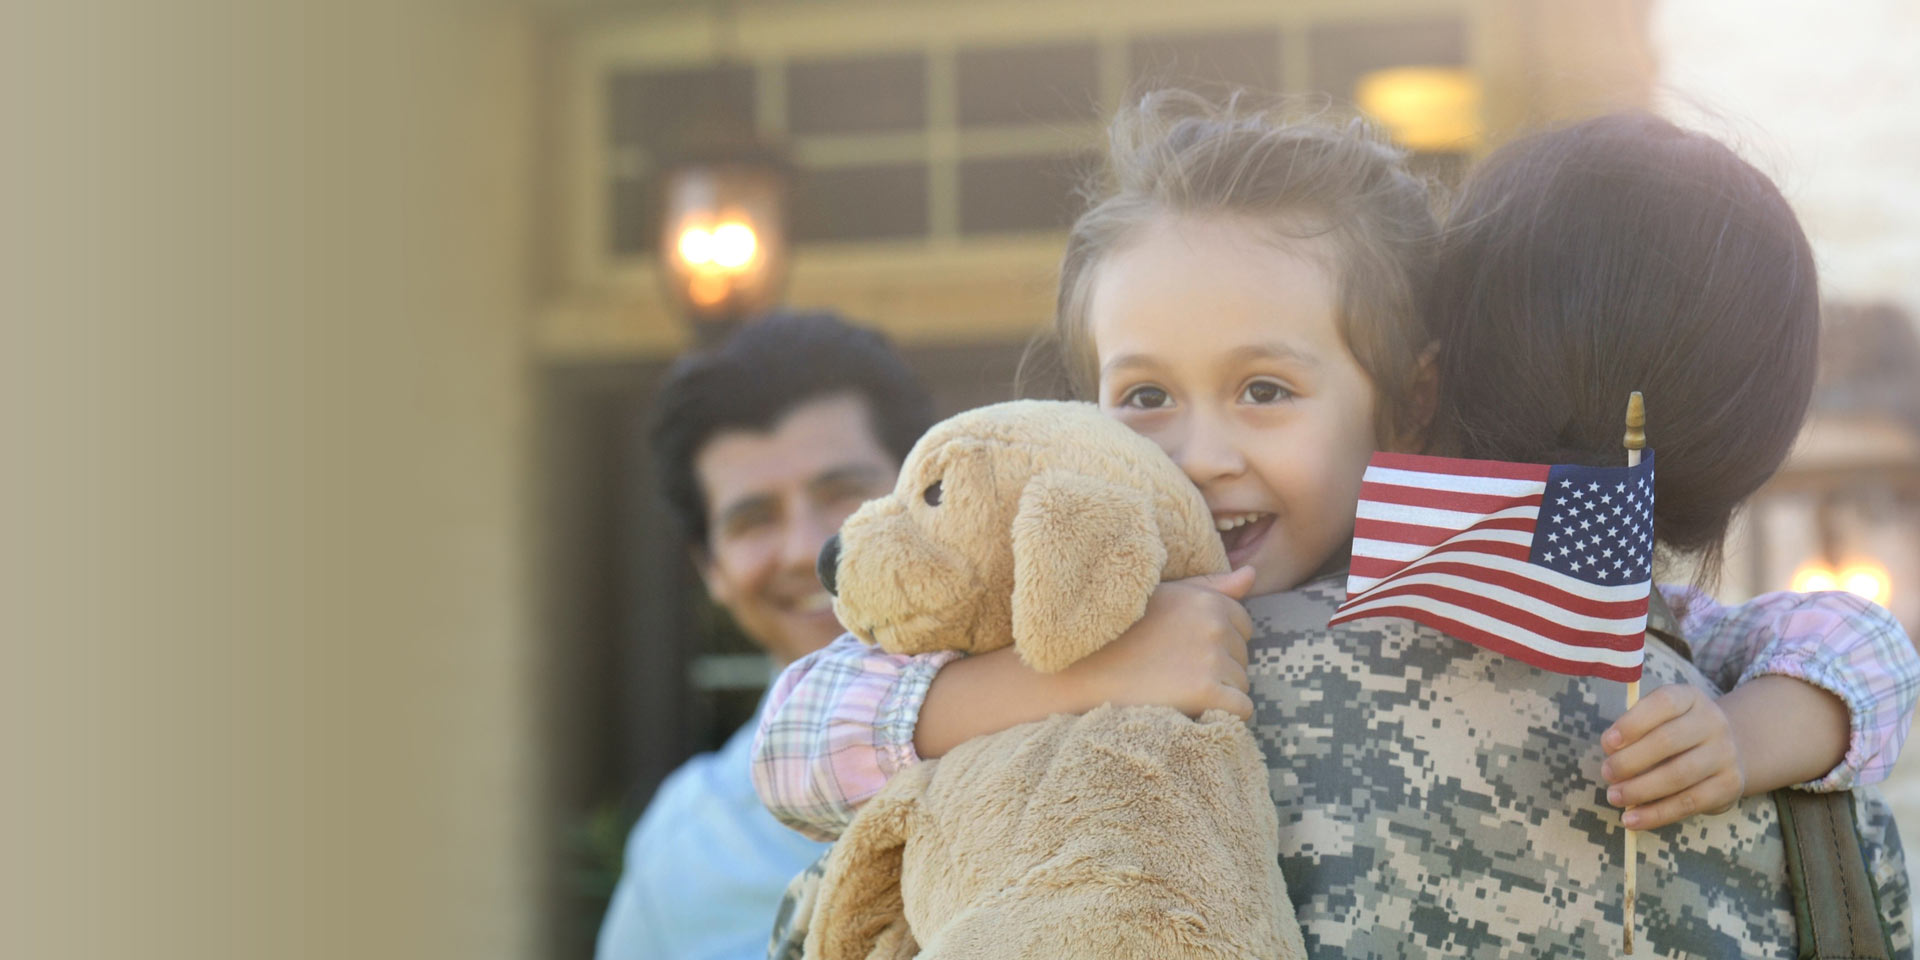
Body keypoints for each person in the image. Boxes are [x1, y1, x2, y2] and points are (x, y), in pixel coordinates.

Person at [754, 94, 1919, 957]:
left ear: (1408, 402)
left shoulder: (1494, 573)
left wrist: (1757, 729)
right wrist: (1073, 677)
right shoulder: (1043, 623)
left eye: (1266, 391)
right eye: (1143, 396)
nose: (1199, 452)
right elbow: (795, 737)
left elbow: (1847, 640)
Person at [596, 311, 935, 960]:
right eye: (753, 519)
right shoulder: (688, 851)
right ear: (711, 569)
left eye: (842, 491)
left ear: (925, 490)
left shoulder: (1077, 727)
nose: (809, 549)